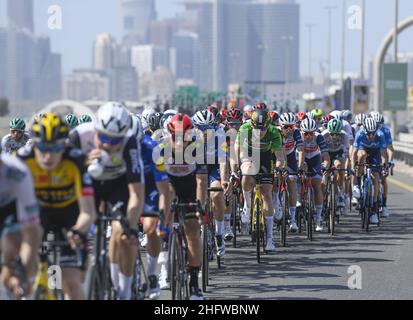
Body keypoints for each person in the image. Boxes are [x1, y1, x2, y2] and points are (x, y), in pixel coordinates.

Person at [69, 102, 145, 300]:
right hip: (88, 183)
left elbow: (136, 193)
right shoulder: (79, 136)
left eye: (115, 140)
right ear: (95, 129)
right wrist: (84, 162)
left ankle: (125, 290)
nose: (109, 145)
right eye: (103, 138)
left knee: (123, 234)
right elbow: (65, 179)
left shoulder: (130, 143)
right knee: (77, 236)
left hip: (118, 185)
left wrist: (130, 225)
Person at [18, 112, 96, 300]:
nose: (48, 155)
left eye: (56, 147)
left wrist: (78, 231)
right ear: (33, 144)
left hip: (70, 217)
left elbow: (88, 211)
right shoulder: (22, 160)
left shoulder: (75, 160)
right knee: (22, 270)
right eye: (43, 147)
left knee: (70, 281)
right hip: (39, 216)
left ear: (65, 146)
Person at [232, 109, 286, 251]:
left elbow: (280, 157)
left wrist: (278, 168)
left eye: (264, 129)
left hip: (266, 157)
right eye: (257, 128)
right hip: (249, 154)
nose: (260, 132)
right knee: (247, 172)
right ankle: (247, 207)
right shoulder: (245, 128)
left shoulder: (274, 132)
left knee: (266, 194)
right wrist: (235, 168)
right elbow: (236, 150)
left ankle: (270, 239)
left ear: (268, 125)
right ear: (252, 124)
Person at [0, 152, 42, 299]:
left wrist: (24, 273)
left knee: (12, 245)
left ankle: (19, 284)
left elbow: (31, 232)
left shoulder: (18, 172)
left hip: (11, 208)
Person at [192, 109, 229, 257]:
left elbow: (223, 162)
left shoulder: (219, 135)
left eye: (209, 128)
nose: (206, 132)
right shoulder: (189, 136)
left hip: (213, 167)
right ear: (195, 128)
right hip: (196, 167)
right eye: (202, 128)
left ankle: (219, 233)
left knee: (216, 194)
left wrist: (225, 180)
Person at [352, 118, 388, 224]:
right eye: (368, 134)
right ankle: (357, 185)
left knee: (376, 178)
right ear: (365, 131)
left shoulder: (380, 135)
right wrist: (354, 166)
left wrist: (384, 166)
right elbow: (354, 152)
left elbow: (383, 154)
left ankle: (374, 208)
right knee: (361, 155)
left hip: (375, 153)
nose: (371, 136)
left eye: (373, 133)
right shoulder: (360, 134)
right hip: (363, 150)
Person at [300, 118, 330, 232]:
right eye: (305, 133)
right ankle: (298, 201)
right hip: (301, 159)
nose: (308, 136)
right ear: (301, 132)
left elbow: (326, 156)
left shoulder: (319, 137)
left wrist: (325, 166)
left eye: (311, 133)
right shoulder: (298, 136)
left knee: (317, 185)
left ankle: (318, 218)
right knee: (296, 178)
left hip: (314, 159)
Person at [278, 113, 305, 232]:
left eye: (292, 127)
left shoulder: (296, 132)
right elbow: (279, 151)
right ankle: (276, 205)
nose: (289, 129)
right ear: (281, 126)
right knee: (274, 181)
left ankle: (293, 220)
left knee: (292, 184)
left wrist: (299, 167)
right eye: (286, 127)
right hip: (277, 157)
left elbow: (300, 150)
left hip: (291, 158)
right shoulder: (277, 132)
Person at [321, 119, 351, 215]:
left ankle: (340, 192)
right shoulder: (323, 135)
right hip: (326, 153)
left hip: (338, 153)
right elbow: (318, 153)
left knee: (339, 167)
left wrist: (346, 168)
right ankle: (324, 198)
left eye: (337, 134)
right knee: (323, 176)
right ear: (328, 132)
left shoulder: (345, 136)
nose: (334, 136)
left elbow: (346, 155)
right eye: (332, 134)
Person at [370, 112, 393, 218]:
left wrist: (389, 162)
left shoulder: (386, 130)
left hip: (381, 153)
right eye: (376, 124)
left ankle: (384, 205)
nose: (378, 126)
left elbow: (389, 148)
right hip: (370, 152)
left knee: (383, 178)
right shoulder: (367, 129)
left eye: (380, 124)